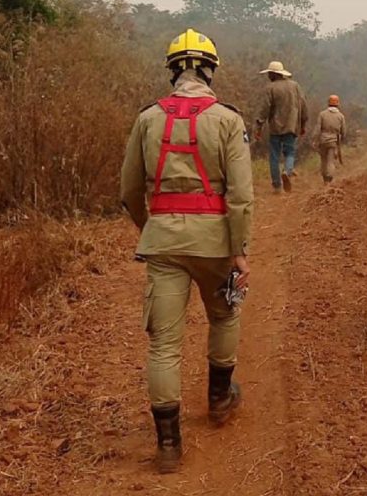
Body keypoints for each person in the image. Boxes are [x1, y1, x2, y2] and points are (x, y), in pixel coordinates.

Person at [120, 28, 254, 473]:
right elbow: (240, 197)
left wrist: (150, 228)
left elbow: (130, 189)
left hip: (163, 243)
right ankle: (219, 399)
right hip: (216, 243)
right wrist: (239, 250)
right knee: (226, 313)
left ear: (173, 70)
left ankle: (169, 445)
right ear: (211, 69)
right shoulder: (228, 119)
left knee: (163, 344)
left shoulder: (147, 118)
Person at [255, 61, 309, 193]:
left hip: (275, 127)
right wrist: (303, 123)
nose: (268, 76)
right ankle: (287, 170)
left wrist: (259, 126)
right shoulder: (295, 86)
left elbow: (264, 109)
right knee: (290, 152)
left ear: (273, 74)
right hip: (291, 126)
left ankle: (277, 186)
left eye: (269, 74)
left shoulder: (270, 88)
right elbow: (303, 105)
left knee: (274, 156)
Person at [313, 94, 347, 185]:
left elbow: (317, 129)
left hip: (323, 141)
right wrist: (341, 141)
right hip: (333, 142)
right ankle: (329, 179)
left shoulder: (322, 114)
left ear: (328, 103)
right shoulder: (341, 116)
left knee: (323, 160)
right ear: (338, 104)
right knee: (330, 161)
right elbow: (343, 131)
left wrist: (314, 140)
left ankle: (325, 179)